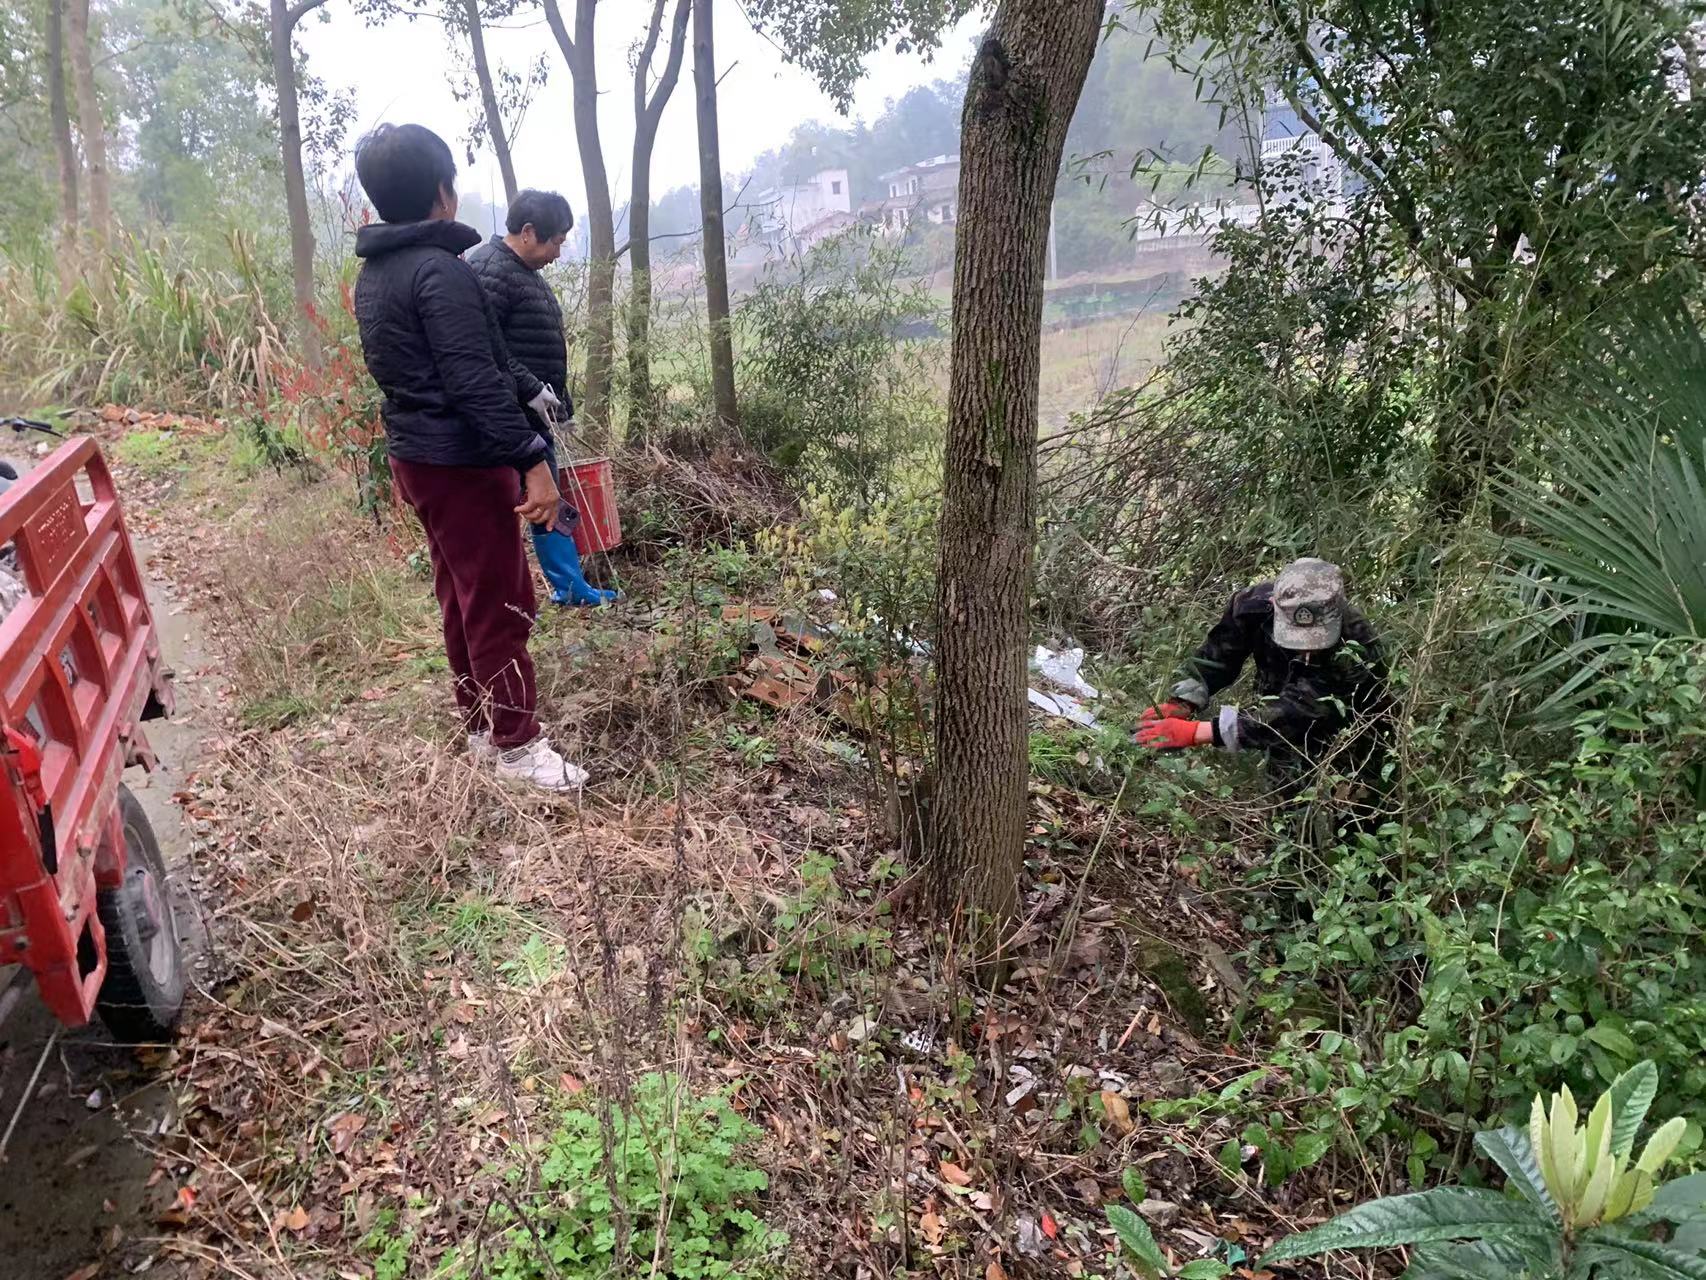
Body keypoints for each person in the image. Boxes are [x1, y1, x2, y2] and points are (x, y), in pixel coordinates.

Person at [351, 122, 585, 792]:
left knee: (460, 590)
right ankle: (517, 743)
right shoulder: (439, 272)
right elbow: (472, 381)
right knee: (501, 598)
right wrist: (530, 457)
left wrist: (525, 397)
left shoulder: (377, 273)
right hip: (461, 459)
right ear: (442, 192)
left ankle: (481, 722)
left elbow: (464, 364)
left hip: (417, 457)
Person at [1135, 558, 1390, 822]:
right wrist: (1184, 700)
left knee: (1356, 811)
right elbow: (1219, 655)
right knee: (1287, 800)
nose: (1306, 648)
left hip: (1350, 731)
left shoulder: (1357, 646)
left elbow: (1296, 711)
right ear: (1273, 606)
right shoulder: (1252, 607)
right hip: (1279, 711)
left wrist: (1199, 732)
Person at [467, 190, 616, 608]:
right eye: (557, 242)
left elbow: (540, 348)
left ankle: (570, 586)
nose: (558, 253)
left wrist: (560, 406)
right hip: (507, 421)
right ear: (529, 232)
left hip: (533, 419)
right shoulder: (489, 270)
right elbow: (487, 349)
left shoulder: (525, 272)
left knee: (549, 501)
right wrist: (529, 388)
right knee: (514, 506)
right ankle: (506, 595)